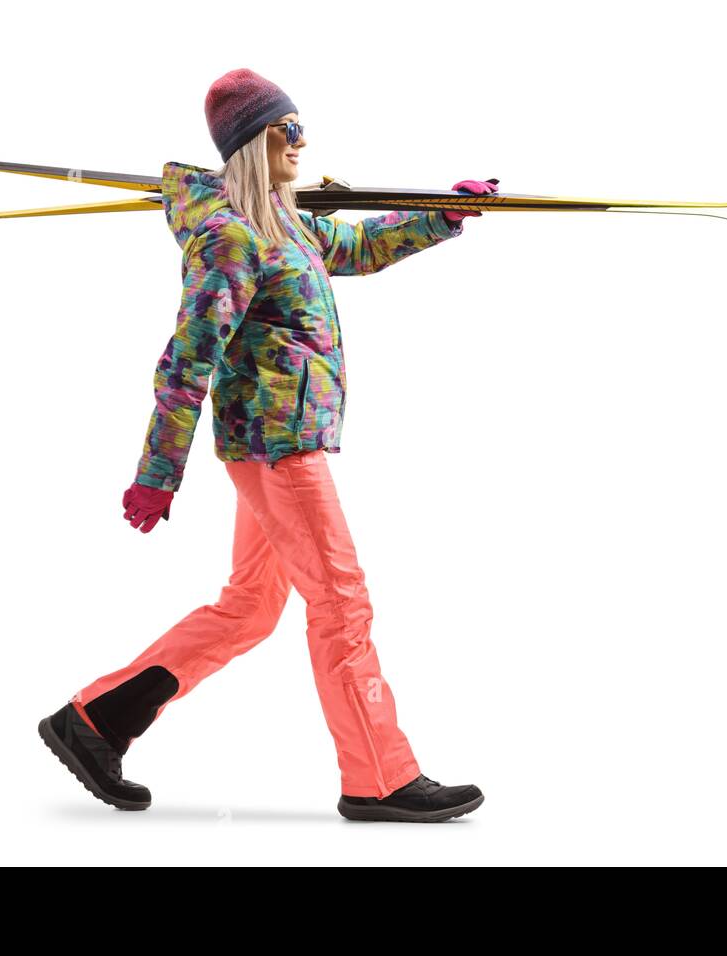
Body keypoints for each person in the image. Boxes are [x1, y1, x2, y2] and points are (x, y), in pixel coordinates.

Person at [39, 68, 495, 823]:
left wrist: (444, 213)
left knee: (251, 607)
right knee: (342, 604)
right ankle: (378, 777)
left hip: (280, 442)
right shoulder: (228, 238)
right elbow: (188, 362)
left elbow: (358, 246)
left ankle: (94, 723)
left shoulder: (288, 224)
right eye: (289, 129)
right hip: (279, 450)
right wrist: (158, 474)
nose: (303, 140)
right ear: (255, 141)